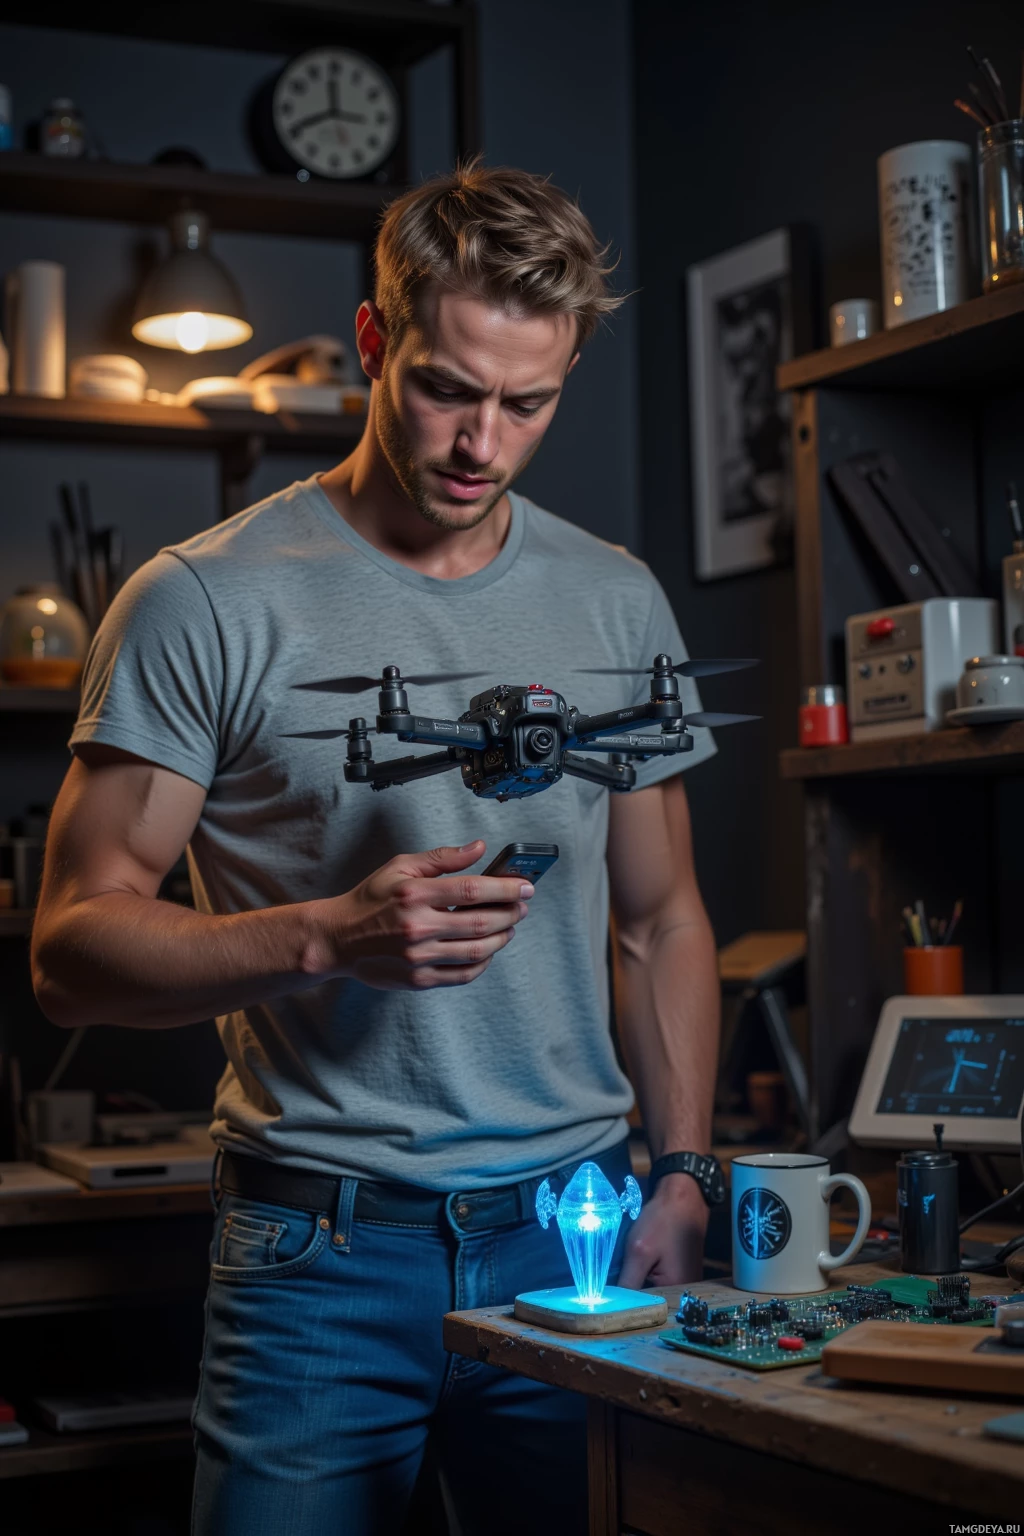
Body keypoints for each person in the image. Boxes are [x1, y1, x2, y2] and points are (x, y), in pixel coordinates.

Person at [31, 163, 722, 1536]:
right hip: (317, 1257)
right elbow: (68, 949)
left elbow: (663, 919)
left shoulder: (618, 598)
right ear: (371, 343)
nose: (483, 441)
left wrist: (688, 1168)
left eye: (528, 402)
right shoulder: (203, 601)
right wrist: (322, 936)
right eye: (445, 389)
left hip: (570, 1244)